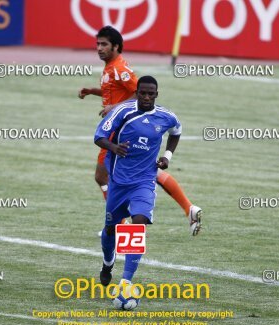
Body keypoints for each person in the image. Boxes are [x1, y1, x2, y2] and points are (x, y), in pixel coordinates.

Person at [79, 26, 202, 235]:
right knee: (139, 173)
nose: (99, 48)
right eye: (97, 44)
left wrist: (114, 108)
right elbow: (114, 93)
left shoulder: (120, 69)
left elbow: (139, 93)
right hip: (118, 130)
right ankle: (188, 208)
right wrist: (93, 92)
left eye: (104, 44)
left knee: (105, 176)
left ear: (116, 47)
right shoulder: (111, 67)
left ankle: (120, 224)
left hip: (122, 132)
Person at [94, 75, 182, 286]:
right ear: (137, 93)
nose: (146, 97)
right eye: (142, 93)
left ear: (156, 94)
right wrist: (114, 147)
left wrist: (167, 156)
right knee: (110, 230)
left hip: (144, 181)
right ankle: (108, 263)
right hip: (119, 182)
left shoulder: (166, 116)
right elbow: (98, 136)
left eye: (150, 94)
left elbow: (176, 131)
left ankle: (126, 283)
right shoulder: (122, 112)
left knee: (138, 223)